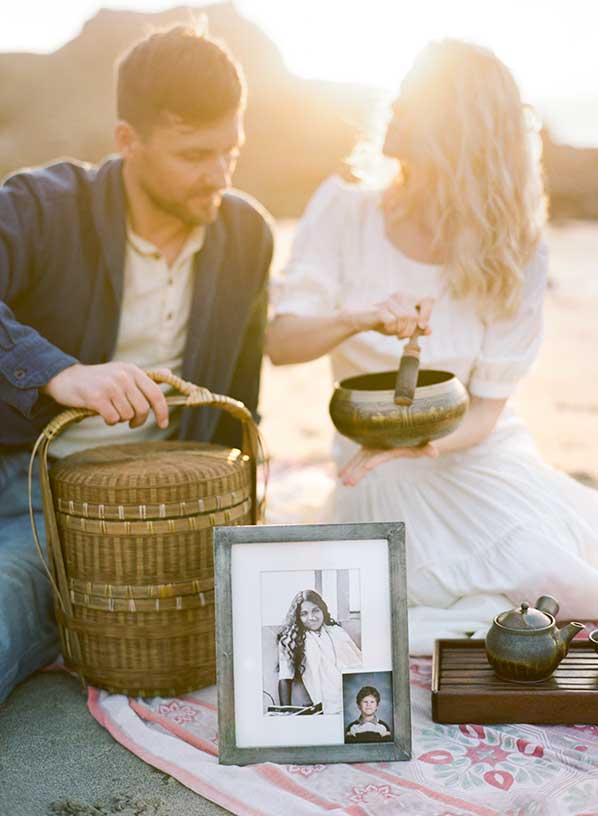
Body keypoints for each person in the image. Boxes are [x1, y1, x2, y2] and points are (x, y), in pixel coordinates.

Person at [267, 39, 598, 653]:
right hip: (370, 457)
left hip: (473, 450)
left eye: (414, 100)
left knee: (565, 578)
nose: (393, 108)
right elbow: (283, 343)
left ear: (461, 131)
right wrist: (359, 317)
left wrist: (425, 445)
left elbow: (488, 408)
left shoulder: (513, 248)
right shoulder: (343, 208)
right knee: (383, 515)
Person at [0, 26, 273, 703]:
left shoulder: (247, 234)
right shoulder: (40, 205)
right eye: (195, 154)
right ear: (127, 141)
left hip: (143, 514)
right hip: (22, 479)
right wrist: (60, 372)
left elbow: (241, 403)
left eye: (230, 151)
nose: (219, 174)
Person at [277, 589, 361, 714]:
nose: (311, 617)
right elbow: (285, 678)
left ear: (322, 610)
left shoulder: (337, 632)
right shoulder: (292, 641)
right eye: (304, 613)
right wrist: (285, 713)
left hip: (352, 695)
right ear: (298, 617)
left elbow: (358, 664)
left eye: (315, 610)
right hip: (325, 704)